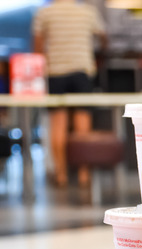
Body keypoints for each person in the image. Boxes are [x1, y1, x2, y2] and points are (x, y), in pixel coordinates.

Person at [32, 0, 106, 188]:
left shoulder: (44, 13)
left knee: (58, 124)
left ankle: (61, 173)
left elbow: (38, 46)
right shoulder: (88, 12)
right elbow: (104, 38)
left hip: (55, 72)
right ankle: (83, 173)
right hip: (82, 70)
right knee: (83, 123)